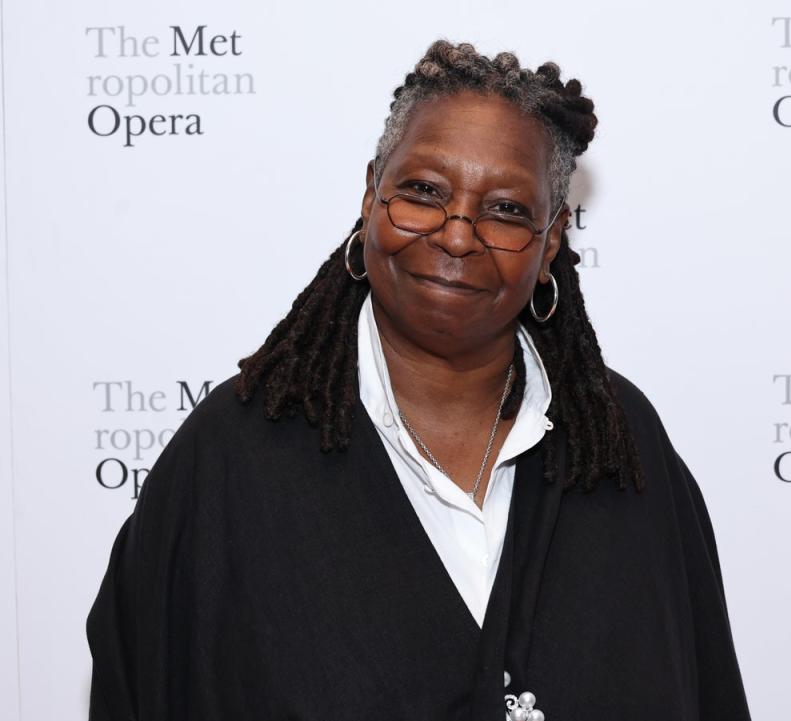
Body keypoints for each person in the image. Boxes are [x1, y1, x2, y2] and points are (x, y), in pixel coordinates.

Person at [86, 40, 752, 720]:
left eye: (507, 210)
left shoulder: (622, 448)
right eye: (424, 192)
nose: (458, 236)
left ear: (550, 243)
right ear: (373, 191)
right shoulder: (227, 462)